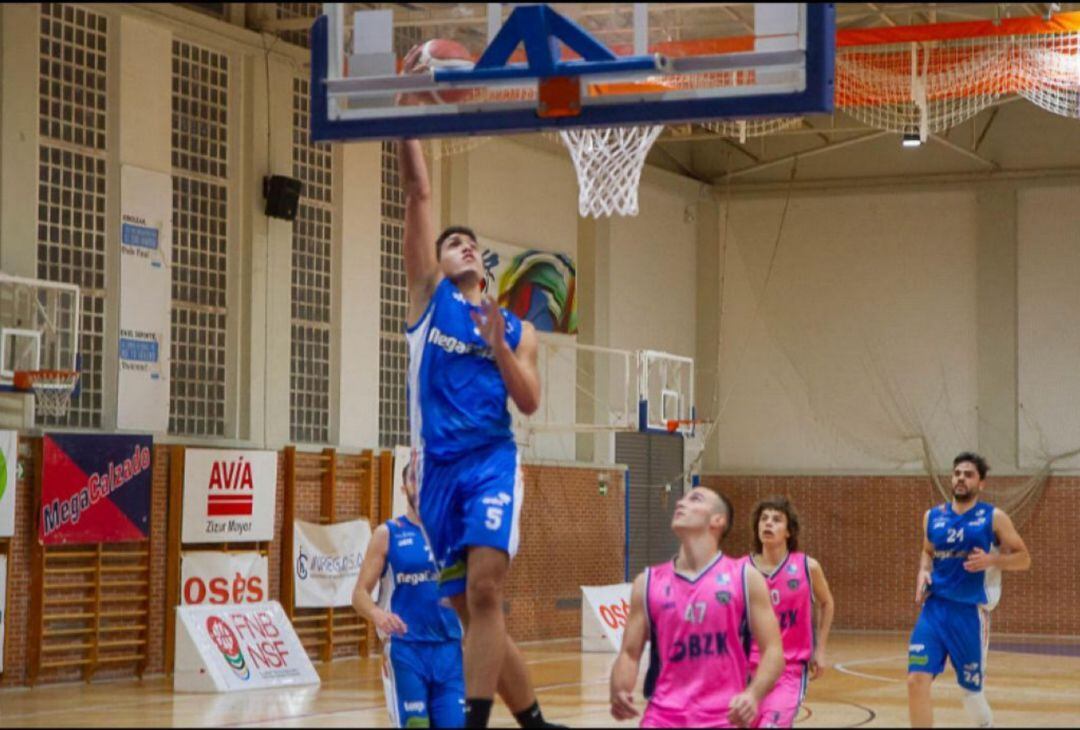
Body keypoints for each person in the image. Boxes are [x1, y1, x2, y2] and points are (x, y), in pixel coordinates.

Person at [397, 43, 555, 729]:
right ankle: (537, 722)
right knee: (470, 610)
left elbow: (529, 402)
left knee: (487, 589)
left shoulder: (517, 327)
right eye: (449, 242)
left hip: (492, 458)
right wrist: (406, 109)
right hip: (438, 467)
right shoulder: (429, 302)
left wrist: (497, 341)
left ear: (483, 264)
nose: (459, 244)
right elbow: (420, 192)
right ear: (435, 263)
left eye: (468, 242)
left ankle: (473, 721)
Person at [610, 486, 785, 728]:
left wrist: (753, 694)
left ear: (717, 520)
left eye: (695, 499)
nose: (681, 503)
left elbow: (774, 651)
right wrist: (619, 688)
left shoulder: (745, 578)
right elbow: (629, 653)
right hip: (662, 717)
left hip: (723, 718)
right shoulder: (647, 582)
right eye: (682, 499)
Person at [907, 451, 1031, 728]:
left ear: (981, 483)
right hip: (934, 610)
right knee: (916, 681)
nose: (961, 478)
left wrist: (993, 560)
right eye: (957, 473)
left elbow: (1024, 558)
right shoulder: (932, 517)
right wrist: (923, 570)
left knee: (971, 694)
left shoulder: (994, 517)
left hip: (970, 614)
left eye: (969, 474)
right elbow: (927, 551)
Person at [352, 459, 465, 728]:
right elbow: (359, 595)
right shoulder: (388, 534)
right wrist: (378, 614)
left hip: (450, 650)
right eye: (414, 479)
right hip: (406, 651)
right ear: (404, 488)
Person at [744, 496, 835, 728]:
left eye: (776, 519)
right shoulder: (742, 570)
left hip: (789, 669)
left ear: (788, 531)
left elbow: (827, 603)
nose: (768, 523)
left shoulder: (807, 567)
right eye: (763, 519)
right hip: (747, 669)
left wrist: (820, 650)